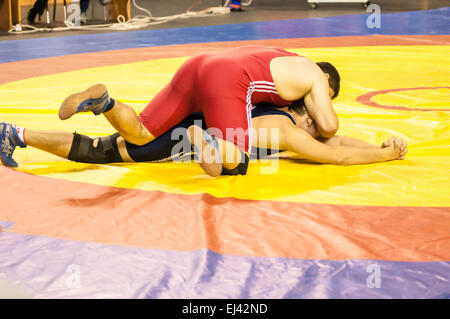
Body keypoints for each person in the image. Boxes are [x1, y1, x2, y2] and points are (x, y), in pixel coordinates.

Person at [56, 46, 341, 176]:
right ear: (325, 81)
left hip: (198, 66)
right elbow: (328, 127)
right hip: (226, 81)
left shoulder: (283, 56)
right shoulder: (313, 74)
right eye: (325, 98)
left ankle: (105, 103)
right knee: (235, 162)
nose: (317, 107)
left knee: (141, 134)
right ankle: (203, 140)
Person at [0, 100, 407, 172]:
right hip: (189, 137)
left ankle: (14, 133)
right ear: (307, 116)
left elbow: (335, 142)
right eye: (317, 124)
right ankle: (106, 106)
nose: (321, 132)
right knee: (103, 151)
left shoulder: (269, 102)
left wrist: (378, 145)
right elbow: (333, 155)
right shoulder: (285, 129)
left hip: (192, 119)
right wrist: (383, 158)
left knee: (121, 140)